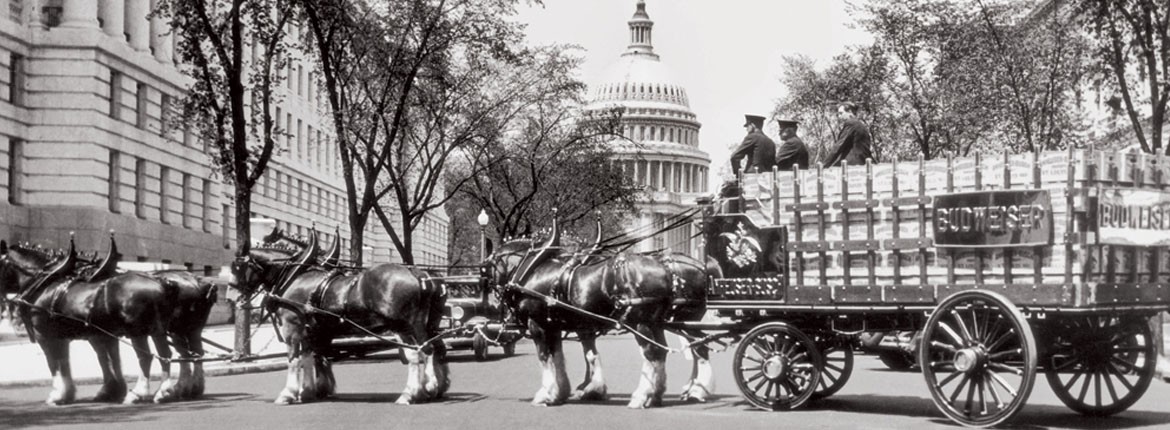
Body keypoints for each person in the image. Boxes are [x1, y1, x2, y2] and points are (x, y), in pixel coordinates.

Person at [824, 102, 874, 168]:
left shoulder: (851, 123)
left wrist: (823, 165)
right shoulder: (861, 125)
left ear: (849, 111)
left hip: (851, 164)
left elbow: (839, 146)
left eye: (841, 113)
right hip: (863, 163)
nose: (839, 116)